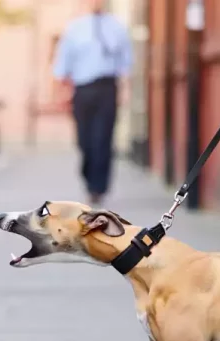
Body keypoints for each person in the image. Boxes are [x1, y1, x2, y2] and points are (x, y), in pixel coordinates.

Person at [52, 0, 133, 206]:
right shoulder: (75, 28)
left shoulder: (117, 27)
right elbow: (62, 63)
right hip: (83, 89)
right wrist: (60, 91)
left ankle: (99, 188)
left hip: (107, 87)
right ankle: (89, 178)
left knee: (103, 138)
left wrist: (125, 89)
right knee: (85, 140)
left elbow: (126, 61)